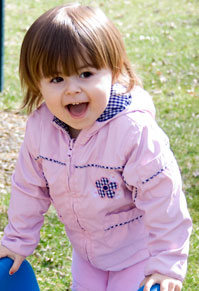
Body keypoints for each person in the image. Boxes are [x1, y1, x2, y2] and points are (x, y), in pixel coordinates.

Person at [0, 3, 192, 291]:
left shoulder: (133, 132)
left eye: (86, 74)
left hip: (137, 254)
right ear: (37, 84)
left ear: (113, 71)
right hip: (88, 254)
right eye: (56, 79)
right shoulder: (41, 129)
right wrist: (16, 242)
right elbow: (29, 187)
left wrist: (166, 265)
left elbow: (164, 197)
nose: (73, 89)